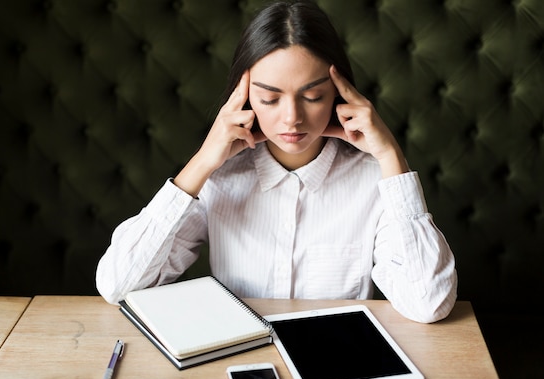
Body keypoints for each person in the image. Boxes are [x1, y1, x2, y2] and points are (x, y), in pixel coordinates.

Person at [96, 0, 457, 323]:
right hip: (236, 365)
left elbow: (429, 303)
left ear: (340, 93)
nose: (292, 119)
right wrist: (203, 161)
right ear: (245, 96)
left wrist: (391, 156)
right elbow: (118, 284)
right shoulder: (219, 178)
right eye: (270, 99)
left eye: (313, 96)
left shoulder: (374, 181)